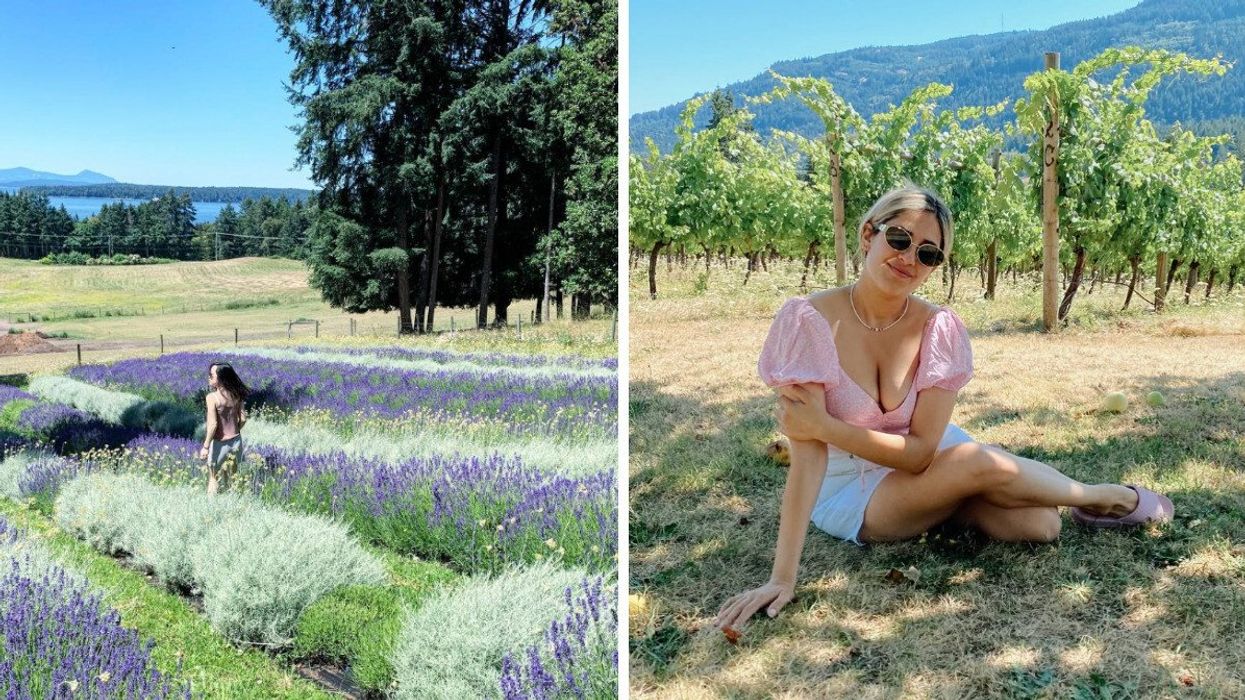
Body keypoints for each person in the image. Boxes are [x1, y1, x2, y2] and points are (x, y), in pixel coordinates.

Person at [715, 185, 1173, 633]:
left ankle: (952, 498)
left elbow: (920, 451)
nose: (909, 258)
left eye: (929, 253)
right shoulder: (809, 321)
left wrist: (826, 424)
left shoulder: (938, 327)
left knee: (1041, 525)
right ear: (867, 234)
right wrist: (782, 577)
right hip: (852, 488)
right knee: (977, 463)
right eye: (899, 239)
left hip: (929, 459)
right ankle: (1106, 497)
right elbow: (810, 454)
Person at [198, 362, 248, 495]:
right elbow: (243, 419)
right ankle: (234, 500)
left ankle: (210, 507)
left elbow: (213, 425)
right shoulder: (237, 394)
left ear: (220, 378)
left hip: (220, 443)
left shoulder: (212, 398)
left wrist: (206, 446)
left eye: (211, 376)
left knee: (213, 477)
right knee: (233, 477)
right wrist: (235, 430)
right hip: (237, 441)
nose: (209, 378)